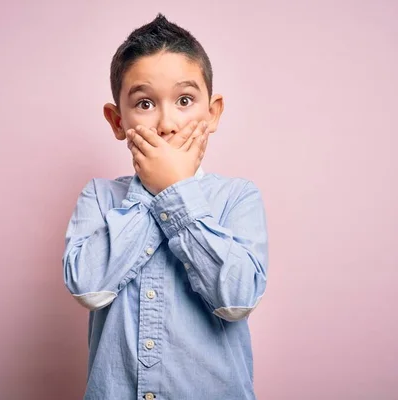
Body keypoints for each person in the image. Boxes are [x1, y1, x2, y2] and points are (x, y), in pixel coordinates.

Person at [63, 13, 269, 400]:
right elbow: (89, 289)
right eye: (144, 103)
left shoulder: (239, 197)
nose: (166, 123)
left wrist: (177, 190)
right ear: (117, 121)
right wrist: (156, 189)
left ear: (213, 113)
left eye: (185, 100)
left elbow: (238, 300)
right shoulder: (99, 196)